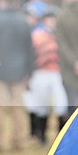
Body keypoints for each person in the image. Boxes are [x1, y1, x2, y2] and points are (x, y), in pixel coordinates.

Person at [0, 0, 35, 152]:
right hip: (19, 72)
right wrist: (28, 72)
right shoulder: (24, 22)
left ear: (3, 1)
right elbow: (30, 50)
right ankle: (18, 142)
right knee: (17, 109)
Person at [27, 10, 68, 144]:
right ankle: (41, 136)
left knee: (61, 103)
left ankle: (60, 136)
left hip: (56, 72)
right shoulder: (37, 35)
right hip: (41, 73)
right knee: (41, 104)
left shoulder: (60, 35)